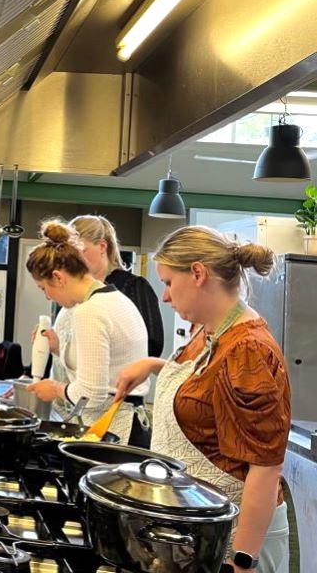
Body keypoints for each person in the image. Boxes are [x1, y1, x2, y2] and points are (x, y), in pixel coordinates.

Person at [116, 226, 290, 573]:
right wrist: (154, 366)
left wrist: (242, 561)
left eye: (167, 282)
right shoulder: (208, 328)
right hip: (197, 526)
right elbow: (208, 391)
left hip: (236, 535)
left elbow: (266, 466)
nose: (164, 297)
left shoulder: (248, 349)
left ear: (197, 273)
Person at [25, 220, 149, 444]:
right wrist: (59, 348)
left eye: (44, 288)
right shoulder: (112, 298)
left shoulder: (89, 310)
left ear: (59, 277)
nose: (47, 297)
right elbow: (106, 362)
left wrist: (54, 389)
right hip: (128, 423)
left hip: (114, 428)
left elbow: (90, 395)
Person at [70, 214, 164, 357]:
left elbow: (153, 345)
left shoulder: (134, 286)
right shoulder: (73, 290)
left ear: (102, 246)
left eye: (80, 251)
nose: (73, 259)